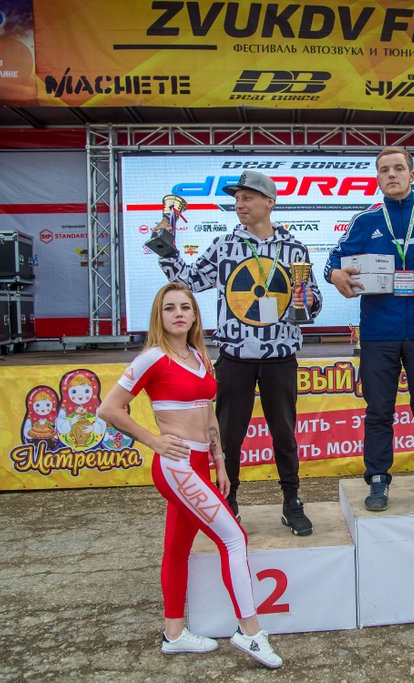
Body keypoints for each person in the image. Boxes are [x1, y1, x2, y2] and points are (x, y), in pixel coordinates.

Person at [97, 282, 282, 668]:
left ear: (195, 315)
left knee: (177, 548)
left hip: (201, 463)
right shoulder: (152, 358)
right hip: (177, 465)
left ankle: (174, 634)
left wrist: (220, 460)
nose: (178, 314)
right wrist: (154, 441)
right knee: (234, 538)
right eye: (169, 308)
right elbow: (108, 409)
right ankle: (250, 633)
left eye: (185, 307)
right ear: (159, 316)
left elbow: (207, 411)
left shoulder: (199, 356)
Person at [156, 170, 322, 536]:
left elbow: (313, 304)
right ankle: (227, 502)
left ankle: (292, 502)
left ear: (269, 202)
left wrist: (307, 300)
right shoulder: (224, 245)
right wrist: (165, 247)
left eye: (247, 198)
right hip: (235, 359)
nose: (239, 204)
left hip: (280, 357)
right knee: (228, 437)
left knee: (284, 434)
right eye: (236, 199)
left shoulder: (294, 249)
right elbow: (188, 281)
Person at [325, 146, 414, 511]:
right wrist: (336, 274)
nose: (391, 174)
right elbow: (331, 261)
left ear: (411, 175)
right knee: (378, 412)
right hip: (378, 333)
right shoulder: (364, 221)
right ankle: (377, 480)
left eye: (398, 168)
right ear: (377, 177)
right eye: (384, 169)